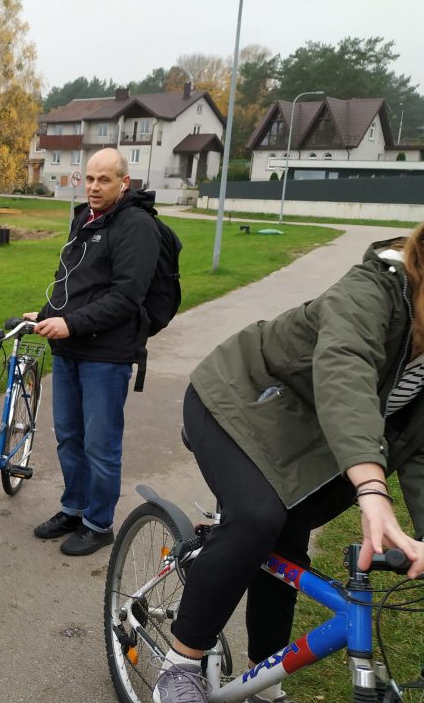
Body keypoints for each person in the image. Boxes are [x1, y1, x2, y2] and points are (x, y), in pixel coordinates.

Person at [152, 229, 424, 703]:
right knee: (258, 517)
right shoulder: (374, 288)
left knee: (286, 551)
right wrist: (372, 487)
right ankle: (180, 664)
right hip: (236, 398)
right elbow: (345, 369)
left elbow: (419, 446)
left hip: (300, 445)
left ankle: (264, 677)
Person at [25, 147, 160, 556]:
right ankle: (74, 508)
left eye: (104, 179)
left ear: (124, 183)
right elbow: (74, 281)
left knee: (100, 444)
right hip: (70, 348)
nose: (94, 186)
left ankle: (99, 523)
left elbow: (126, 295)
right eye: (89, 178)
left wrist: (71, 323)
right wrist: (50, 313)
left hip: (107, 355)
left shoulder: (137, 226)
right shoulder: (84, 217)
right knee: (69, 437)